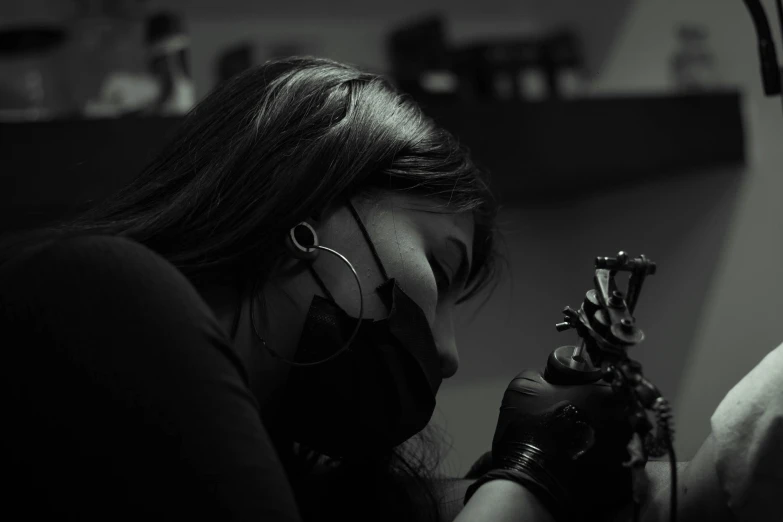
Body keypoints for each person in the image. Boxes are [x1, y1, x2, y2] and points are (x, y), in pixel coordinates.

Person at [2, 56, 776, 522]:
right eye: (437, 270)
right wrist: (531, 478)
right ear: (302, 194)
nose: (442, 354)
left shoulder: (280, 464)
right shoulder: (97, 300)